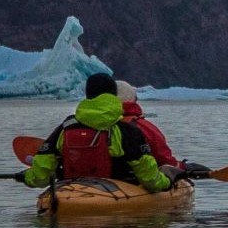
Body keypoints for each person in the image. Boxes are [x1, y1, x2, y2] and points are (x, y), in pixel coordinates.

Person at [23, 72, 175, 193]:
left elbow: (40, 177)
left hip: (69, 191)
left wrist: (26, 177)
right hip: (116, 193)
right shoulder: (126, 131)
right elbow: (148, 175)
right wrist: (167, 183)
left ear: (87, 95)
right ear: (113, 95)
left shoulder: (66, 127)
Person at [115, 80, 206, 180]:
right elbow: (164, 160)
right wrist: (183, 167)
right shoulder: (143, 127)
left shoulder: (98, 124)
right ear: (134, 99)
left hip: (101, 183)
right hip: (135, 182)